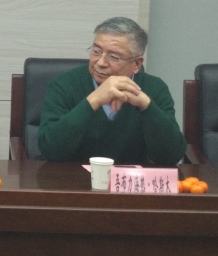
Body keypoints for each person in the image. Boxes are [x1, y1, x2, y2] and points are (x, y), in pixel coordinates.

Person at [38, 17, 186, 165]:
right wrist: (93, 100)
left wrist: (146, 105)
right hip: (73, 177)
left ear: (136, 64)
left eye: (114, 57)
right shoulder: (64, 84)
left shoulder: (154, 88)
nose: (100, 62)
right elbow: (50, 150)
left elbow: (171, 156)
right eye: (96, 51)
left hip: (131, 178)